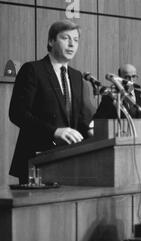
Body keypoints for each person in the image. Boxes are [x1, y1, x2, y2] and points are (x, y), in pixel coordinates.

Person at [9, 20, 94, 184]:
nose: (71, 44)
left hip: (70, 160)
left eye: (76, 40)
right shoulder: (33, 70)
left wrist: (94, 131)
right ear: (51, 41)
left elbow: (80, 120)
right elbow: (17, 113)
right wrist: (54, 131)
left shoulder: (77, 77)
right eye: (65, 38)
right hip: (36, 160)